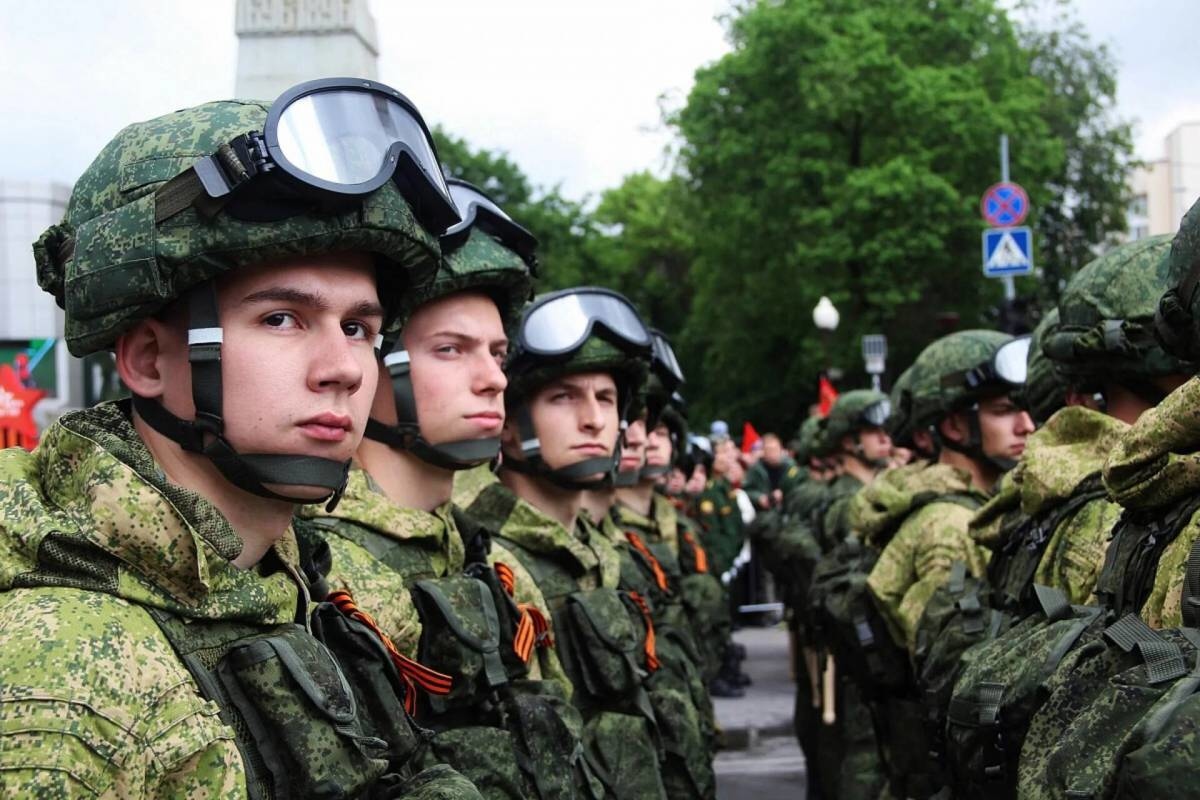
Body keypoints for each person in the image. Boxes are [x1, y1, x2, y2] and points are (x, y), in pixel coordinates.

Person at [1, 83, 480, 797]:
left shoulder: (323, 593)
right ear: (150, 360)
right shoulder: (61, 679)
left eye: (358, 328)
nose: (345, 369)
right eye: (282, 319)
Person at [460, 288, 668, 800]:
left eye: (606, 399)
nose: (594, 419)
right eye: (564, 397)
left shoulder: (604, 556)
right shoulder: (481, 562)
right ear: (509, 426)